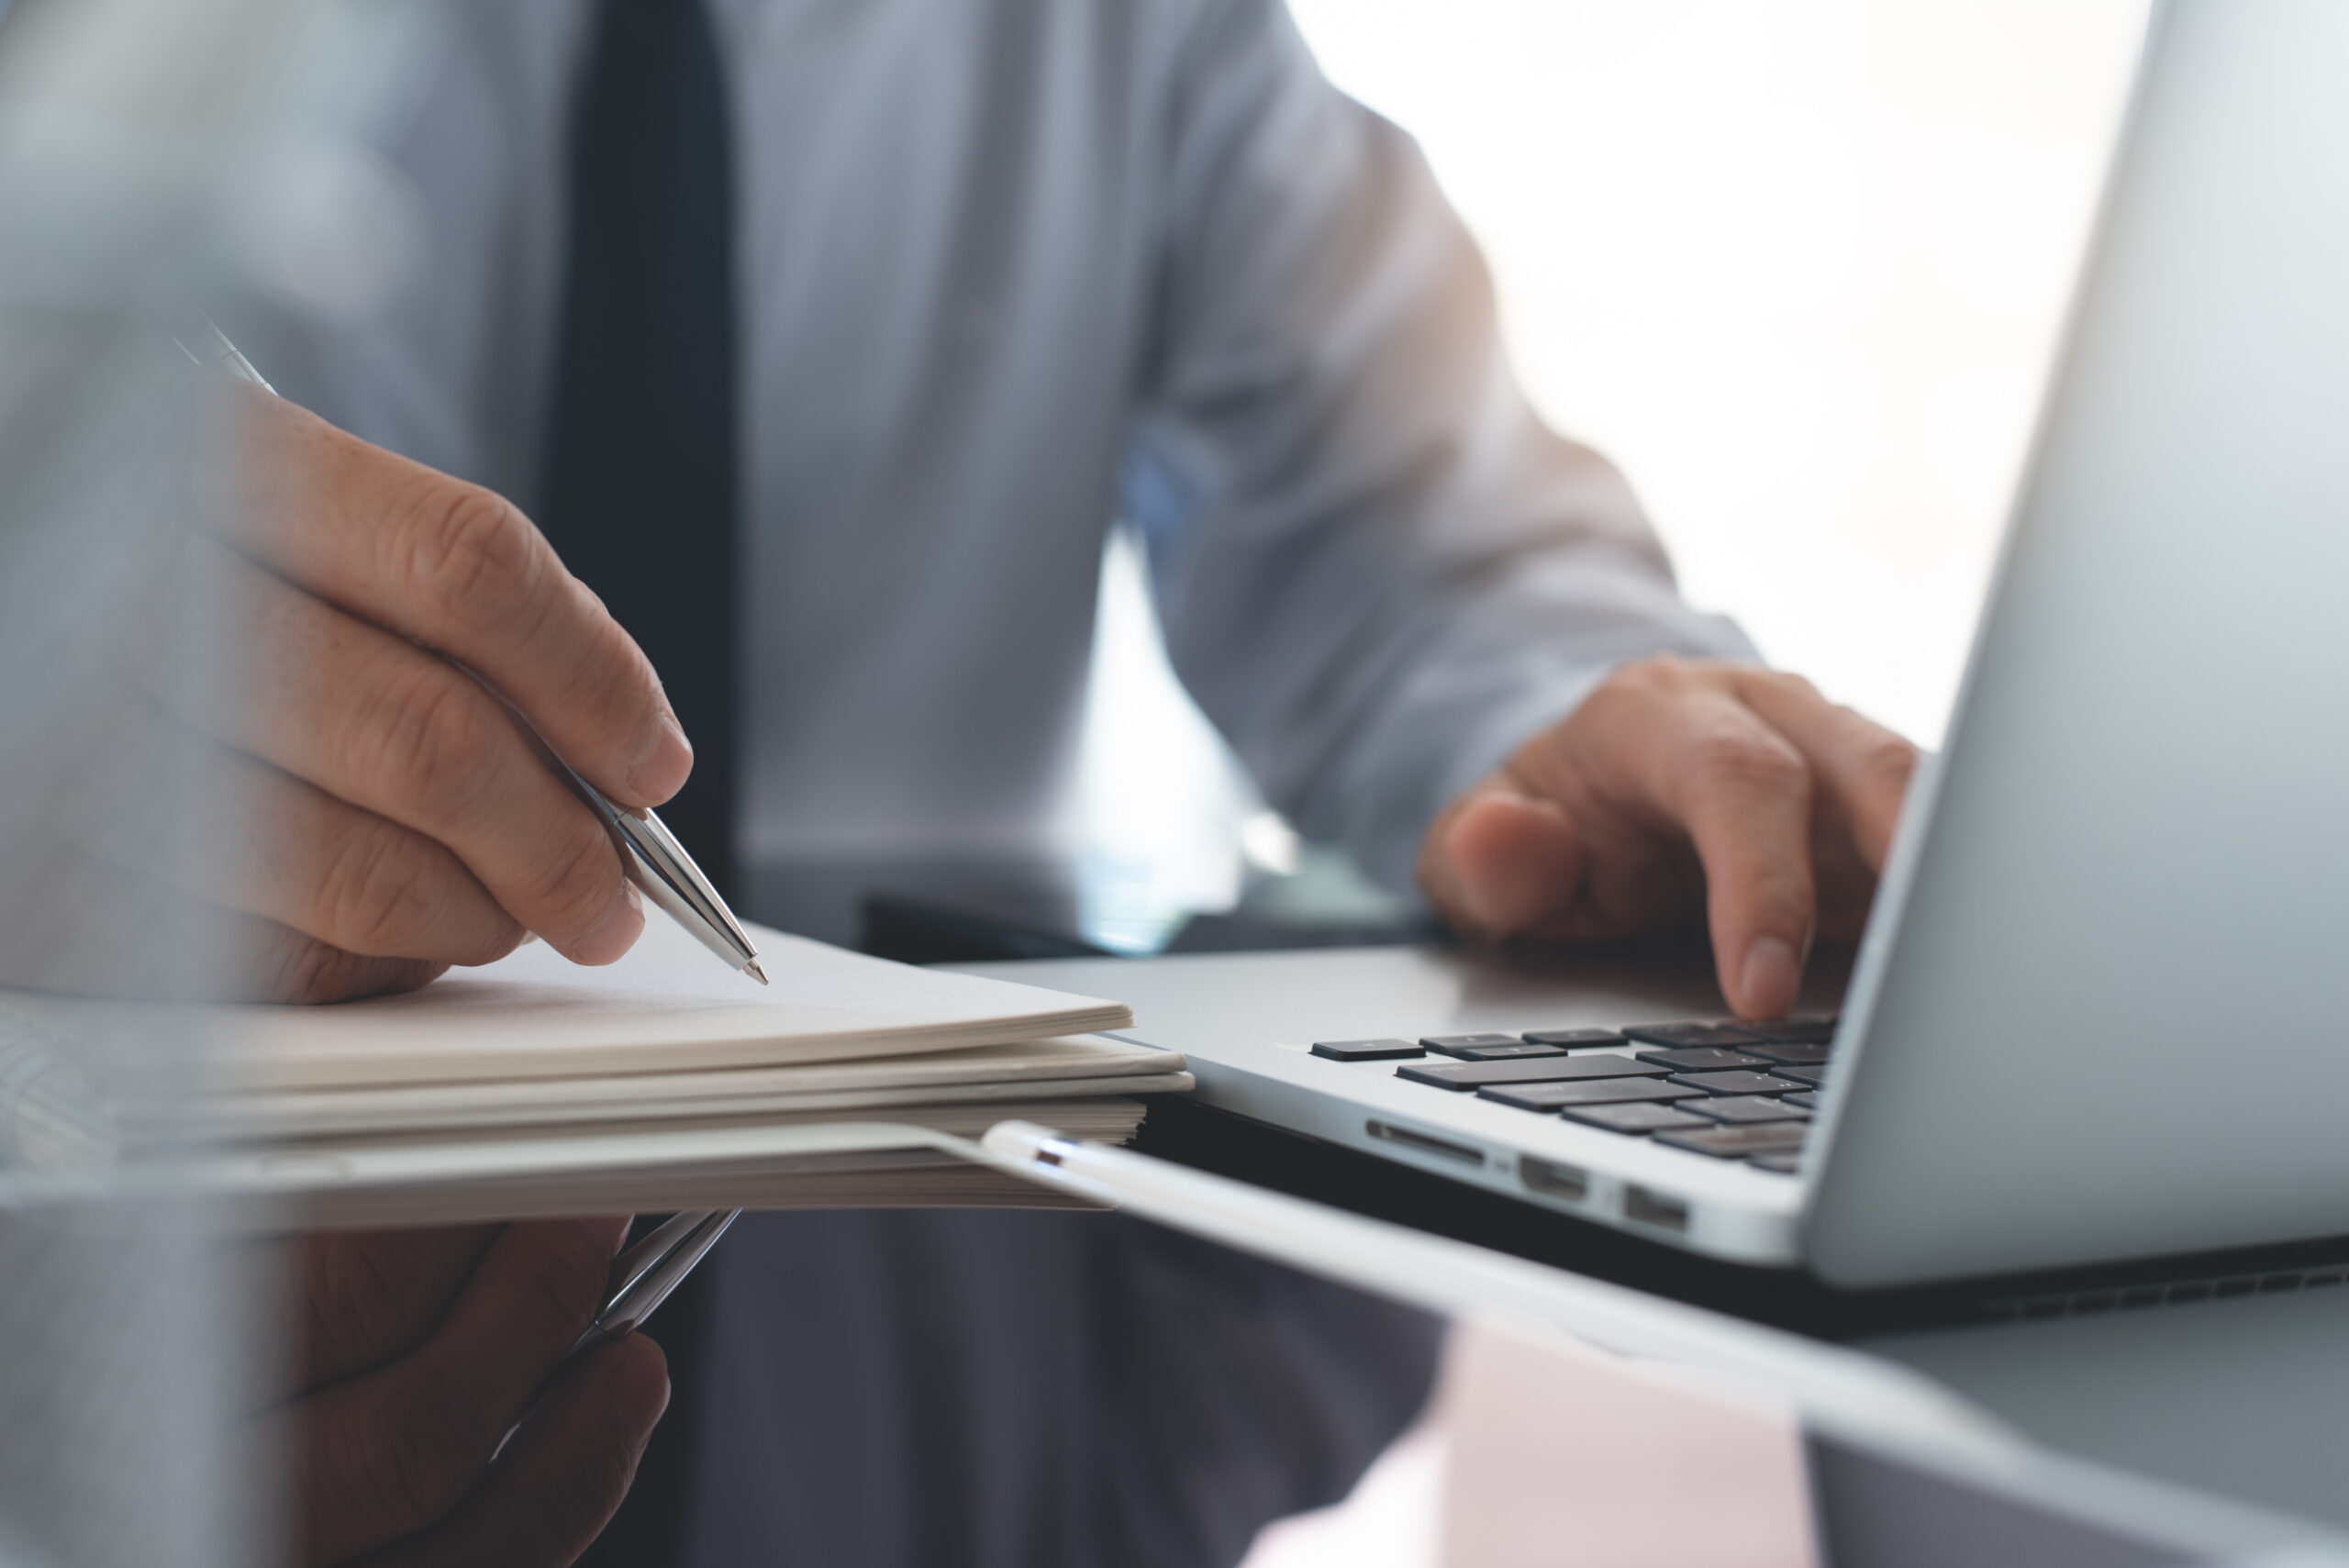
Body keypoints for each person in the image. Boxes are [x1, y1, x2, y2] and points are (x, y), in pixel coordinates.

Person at [195, 0, 1917, 1562]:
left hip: (935, 1404)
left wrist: (1582, 719)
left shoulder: (1132, 38)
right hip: (199, 1319)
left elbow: (1421, 545)